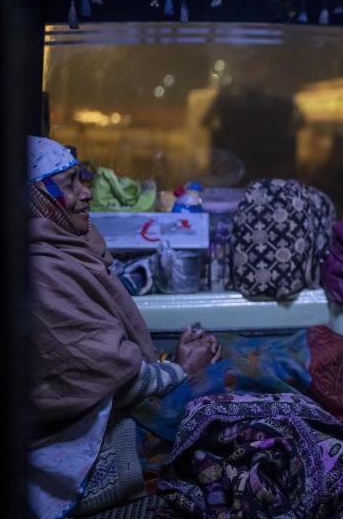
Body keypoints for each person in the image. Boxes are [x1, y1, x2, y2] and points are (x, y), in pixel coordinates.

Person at [25, 136, 220, 519]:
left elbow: (103, 359)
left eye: (83, 180)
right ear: (34, 201)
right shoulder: (41, 273)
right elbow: (110, 382)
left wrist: (172, 362)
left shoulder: (66, 249)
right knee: (250, 377)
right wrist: (182, 369)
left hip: (118, 401)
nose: (86, 194)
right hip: (75, 439)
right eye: (69, 186)